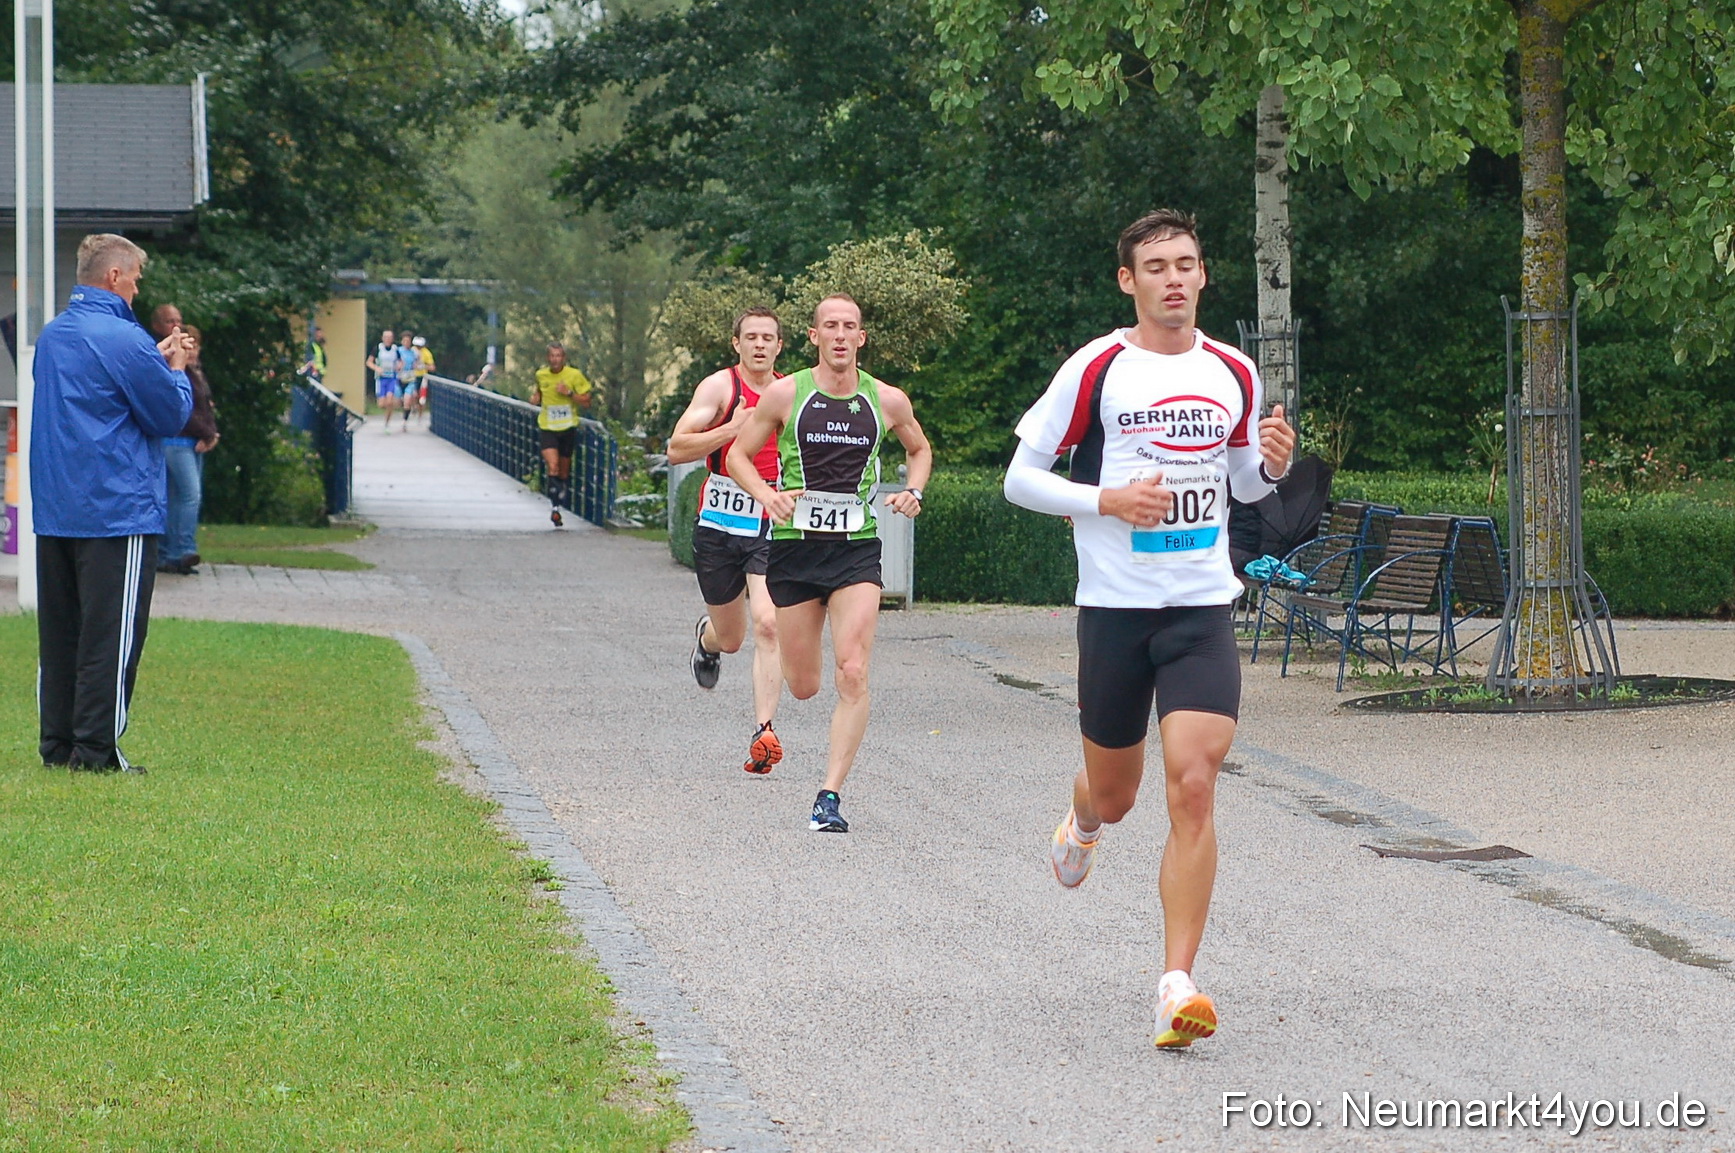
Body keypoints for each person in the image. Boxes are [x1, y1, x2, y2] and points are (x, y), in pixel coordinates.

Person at [1002, 208, 1295, 1049]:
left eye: (1187, 263)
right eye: (1156, 266)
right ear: (1127, 281)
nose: (1174, 278)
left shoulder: (1233, 372)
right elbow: (1020, 479)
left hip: (1200, 603)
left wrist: (1270, 464)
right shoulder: (1096, 368)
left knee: (1193, 783)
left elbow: (1242, 484)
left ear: (1204, 275)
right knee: (1119, 794)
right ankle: (1082, 824)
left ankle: (1176, 984)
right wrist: (1105, 499)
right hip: (1115, 610)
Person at [726, 294, 932, 833]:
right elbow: (737, 456)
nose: (840, 336)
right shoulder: (785, 392)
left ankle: (829, 796)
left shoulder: (885, 400)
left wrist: (914, 491)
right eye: (830, 327)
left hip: (855, 549)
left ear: (861, 338)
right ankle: (798, 701)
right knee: (804, 685)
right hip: (794, 550)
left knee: (854, 670)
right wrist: (767, 495)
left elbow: (920, 449)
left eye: (850, 327)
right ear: (814, 336)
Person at [33, 233, 193, 773]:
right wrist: (175, 369)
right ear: (115, 277)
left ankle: (58, 745)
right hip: (116, 509)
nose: (137, 292)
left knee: (61, 633)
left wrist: (155, 360)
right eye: (136, 281)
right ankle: (96, 751)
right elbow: (168, 416)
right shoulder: (124, 339)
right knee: (111, 635)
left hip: (57, 507)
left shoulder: (53, 336)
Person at [666, 307, 787, 774]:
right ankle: (707, 639)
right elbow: (677, 449)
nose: (759, 345)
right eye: (751, 337)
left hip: (767, 520)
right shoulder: (719, 388)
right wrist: (731, 429)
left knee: (768, 623)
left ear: (779, 347)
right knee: (733, 638)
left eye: (768, 338)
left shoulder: (790, 393)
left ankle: (764, 733)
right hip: (718, 523)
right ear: (736, 344)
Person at [157, 324, 219, 575]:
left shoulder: (195, 374)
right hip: (178, 441)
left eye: (193, 347)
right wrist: (207, 433)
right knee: (190, 495)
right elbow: (186, 412)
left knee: (174, 497)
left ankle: (167, 552)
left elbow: (205, 409)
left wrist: (211, 432)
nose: (191, 353)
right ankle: (183, 547)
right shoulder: (177, 374)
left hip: (191, 442)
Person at [529, 342, 594, 528]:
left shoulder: (574, 375)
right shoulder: (541, 375)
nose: (555, 359)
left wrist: (569, 393)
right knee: (553, 465)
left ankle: (561, 493)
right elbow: (540, 393)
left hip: (567, 428)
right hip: (547, 426)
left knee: (564, 471)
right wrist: (535, 399)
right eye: (552, 356)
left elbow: (587, 402)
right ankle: (555, 508)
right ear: (547, 358)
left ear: (563, 358)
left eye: (559, 356)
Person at [367, 329, 401, 426]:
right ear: (382, 338)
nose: (388, 339)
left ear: (392, 339)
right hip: (380, 379)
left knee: (389, 401)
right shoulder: (378, 348)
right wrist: (377, 368)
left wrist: (399, 366)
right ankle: (394, 405)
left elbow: (400, 361)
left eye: (390, 337)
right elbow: (369, 362)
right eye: (386, 337)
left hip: (392, 378)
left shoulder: (395, 349)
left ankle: (387, 422)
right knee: (381, 404)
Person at [397, 330, 422, 425]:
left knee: (407, 400)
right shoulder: (398, 351)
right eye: (404, 340)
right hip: (399, 378)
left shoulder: (414, 352)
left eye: (408, 341)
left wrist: (418, 365)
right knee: (398, 400)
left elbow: (417, 364)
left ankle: (404, 421)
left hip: (410, 378)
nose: (406, 343)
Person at [411, 335, 434, 416]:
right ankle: (413, 407)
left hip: (423, 377)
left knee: (422, 398)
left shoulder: (427, 353)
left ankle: (420, 415)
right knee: (413, 394)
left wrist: (424, 366)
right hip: (412, 376)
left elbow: (432, 367)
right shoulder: (411, 351)